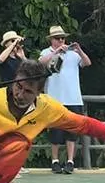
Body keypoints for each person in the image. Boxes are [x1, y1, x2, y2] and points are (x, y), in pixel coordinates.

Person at [37, 25, 92, 173]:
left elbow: (87, 63)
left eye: (62, 38)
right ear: (52, 40)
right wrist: (56, 52)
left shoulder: (73, 54)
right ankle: (55, 160)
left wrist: (78, 50)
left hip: (73, 98)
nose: (61, 40)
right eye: (57, 38)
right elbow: (41, 62)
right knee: (55, 131)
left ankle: (70, 161)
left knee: (72, 131)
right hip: (54, 99)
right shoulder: (46, 52)